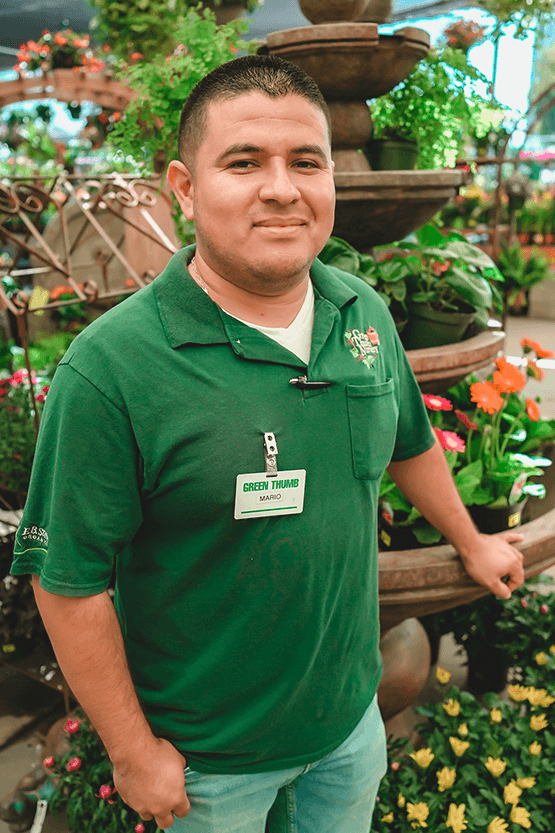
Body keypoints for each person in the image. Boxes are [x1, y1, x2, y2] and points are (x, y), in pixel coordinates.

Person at [11, 55, 524, 833]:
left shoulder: (361, 312)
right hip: (207, 762)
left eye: (305, 162)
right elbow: (67, 580)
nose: (281, 188)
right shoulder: (113, 368)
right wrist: (130, 750)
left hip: (348, 725)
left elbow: (407, 442)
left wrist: (470, 540)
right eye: (243, 161)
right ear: (184, 189)